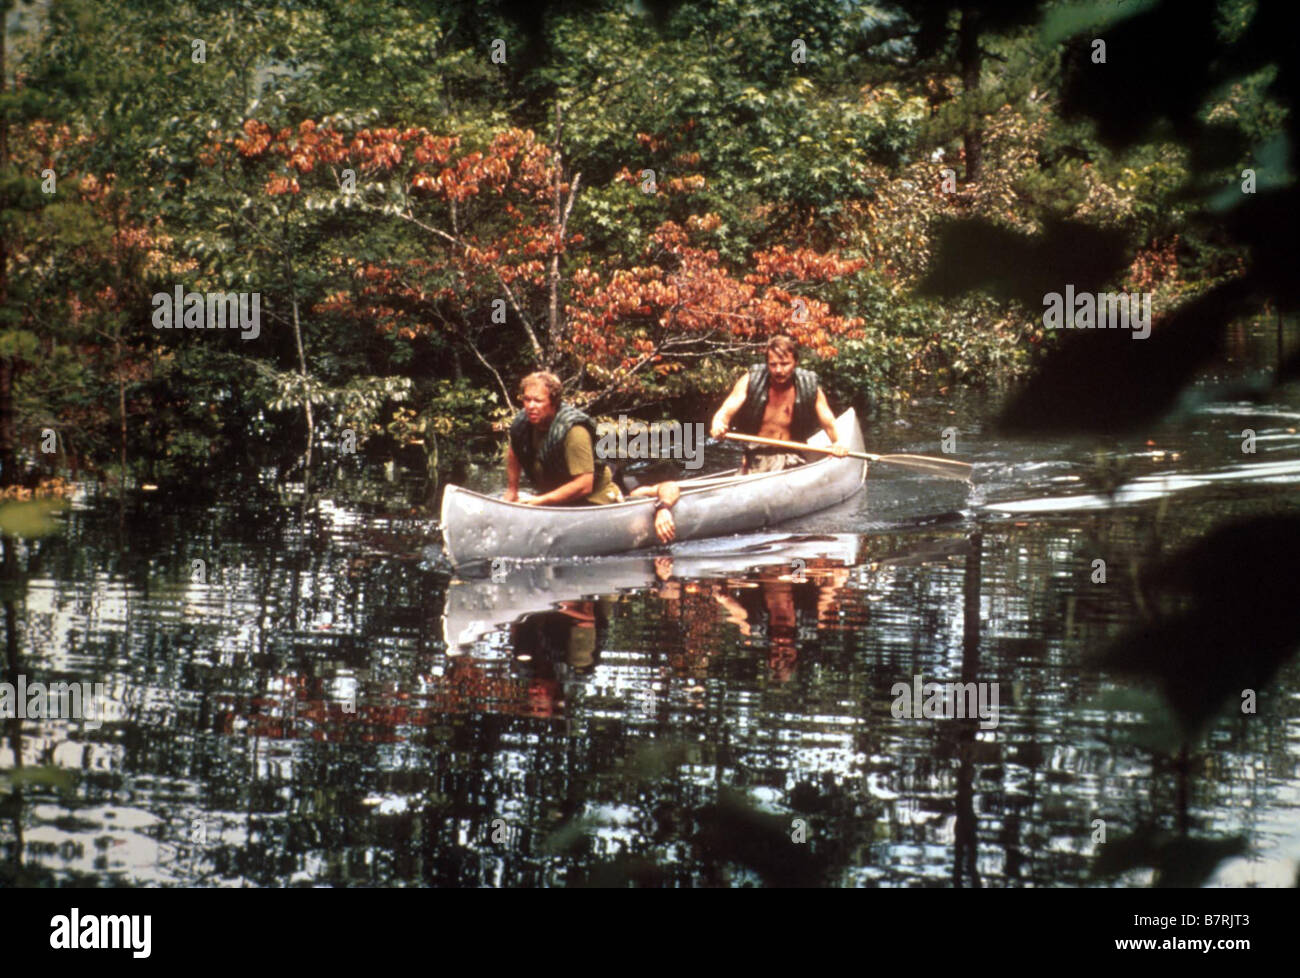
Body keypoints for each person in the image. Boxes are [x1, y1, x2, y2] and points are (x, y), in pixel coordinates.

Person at [709, 334, 847, 473]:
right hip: (758, 454)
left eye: (785, 364)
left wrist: (837, 443)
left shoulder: (809, 385)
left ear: (795, 362)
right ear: (767, 364)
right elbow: (725, 411)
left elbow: (829, 423)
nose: (778, 370)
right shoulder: (751, 380)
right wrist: (718, 424)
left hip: (792, 454)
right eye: (773, 364)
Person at [503, 371, 622, 506]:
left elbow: (584, 485)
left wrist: (539, 501)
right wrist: (512, 489)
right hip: (553, 495)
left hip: (592, 499)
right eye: (527, 399)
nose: (530, 406)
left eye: (538, 400)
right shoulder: (522, 423)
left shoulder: (575, 431)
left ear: (553, 402)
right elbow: (515, 452)